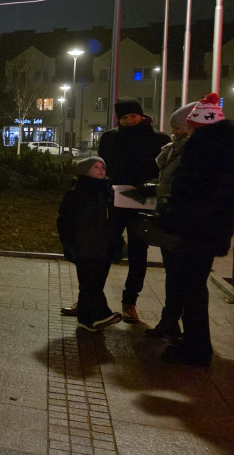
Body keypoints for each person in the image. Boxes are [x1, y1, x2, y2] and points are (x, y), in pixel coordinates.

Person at [159, 93, 234, 367]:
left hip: (196, 230)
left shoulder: (204, 148)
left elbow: (191, 192)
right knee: (194, 288)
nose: (186, 131)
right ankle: (196, 342)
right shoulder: (223, 145)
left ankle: (196, 349)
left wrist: (172, 210)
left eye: (188, 126)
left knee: (191, 288)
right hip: (210, 229)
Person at [95, 97, 170, 323]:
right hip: (114, 200)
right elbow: (102, 165)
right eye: (124, 118)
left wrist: (150, 188)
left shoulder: (158, 139)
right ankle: (91, 297)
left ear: (142, 115)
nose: (129, 121)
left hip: (143, 203)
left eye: (133, 116)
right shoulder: (110, 138)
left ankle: (130, 301)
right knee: (104, 250)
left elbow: (164, 171)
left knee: (138, 253)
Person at [144, 102, 197, 339]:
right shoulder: (172, 149)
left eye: (179, 127)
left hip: (185, 224)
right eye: (174, 127)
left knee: (184, 279)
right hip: (170, 218)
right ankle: (171, 322)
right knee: (174, 275)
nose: (174, 131)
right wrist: (152, 189)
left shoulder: (196, 152)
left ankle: (184, 329)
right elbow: (167, 181)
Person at [57, 157, 123, 331]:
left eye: (103, 167)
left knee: (95, 283)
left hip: (104, 247)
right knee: (90, 283)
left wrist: (116, 242)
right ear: (85, 170)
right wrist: (69, 244)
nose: (101, 170)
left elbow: (114, 221)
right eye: (96, 167)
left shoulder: (108, 192)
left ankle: (87, 319)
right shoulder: (77, 193)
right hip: (85, 246)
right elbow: (65, 220)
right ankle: (100, 315)